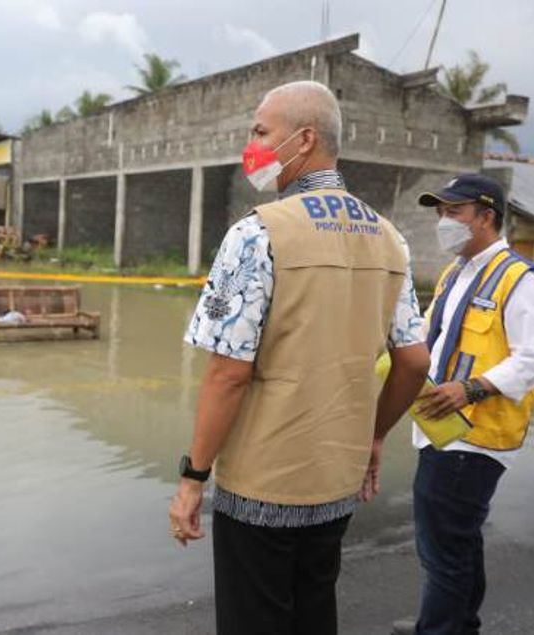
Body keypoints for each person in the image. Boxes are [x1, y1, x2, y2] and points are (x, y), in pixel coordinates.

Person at [168, 80, 431, 635]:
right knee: (314, 609)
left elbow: (227, 375)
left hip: (262, 484)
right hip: (336, 480)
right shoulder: (391, 240)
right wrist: (374, 437)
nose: (252, 143)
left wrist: (193, 477)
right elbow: (413, 363)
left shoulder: (258, 233)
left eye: (261, 131)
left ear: (304, 138)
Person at [391, 175, 534, 635]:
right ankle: (455, 620)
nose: (443, 222)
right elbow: (430, 339)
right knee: (458, 539)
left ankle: (440, 627)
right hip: (440, 426)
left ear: (487, 217)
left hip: (474, 434)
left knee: (441, 547)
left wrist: (472, 388)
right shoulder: (456, 273)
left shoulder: (520, 280)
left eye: (454, 212)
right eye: (440, 213)